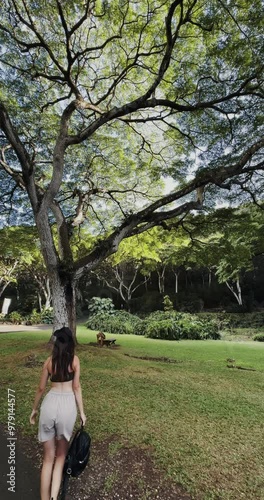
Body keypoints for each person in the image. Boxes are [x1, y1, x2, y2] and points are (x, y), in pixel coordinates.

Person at [29, 327, 86, 500]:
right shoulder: (74, 361)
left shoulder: (48, 362)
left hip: (49, 406)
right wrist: (82, 413)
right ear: (70, 344)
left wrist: (34, 409)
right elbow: (76, 387)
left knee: (47, 459)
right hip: (67, 407)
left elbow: (40, 388)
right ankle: (54, 497)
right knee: (61, 456)